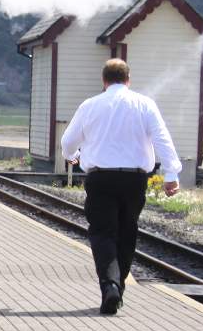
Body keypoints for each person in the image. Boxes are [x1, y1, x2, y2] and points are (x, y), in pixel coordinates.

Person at [60, 58, 181, 315]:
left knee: (103, 233)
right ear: (128, 79)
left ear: (104, 81)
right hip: (134, 179)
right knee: (127, 233)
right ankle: (117, 287)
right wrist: (171, 174)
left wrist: (72, 156)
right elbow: (162, 139)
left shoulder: (90, 105)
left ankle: (111, 286)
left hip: (100, 179)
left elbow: (68, 142)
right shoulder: (145, 105)